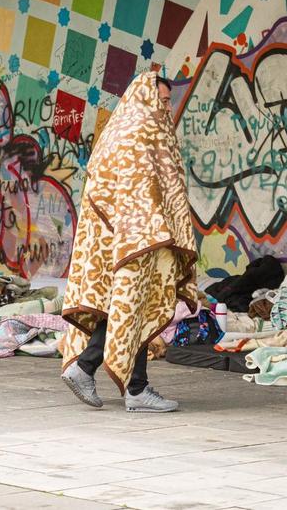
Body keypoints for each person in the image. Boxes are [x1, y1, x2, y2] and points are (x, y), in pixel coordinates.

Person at [59, 72, 197, 413]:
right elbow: (144, 192)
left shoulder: (119, 129)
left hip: (115, 237)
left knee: (131, 304)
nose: (167, 107)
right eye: (163, 101)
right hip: (138, 237)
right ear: (147, 98)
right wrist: (158, 231)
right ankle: (95, 370)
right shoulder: (141, 132)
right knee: (131, 304)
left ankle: (130, 385)